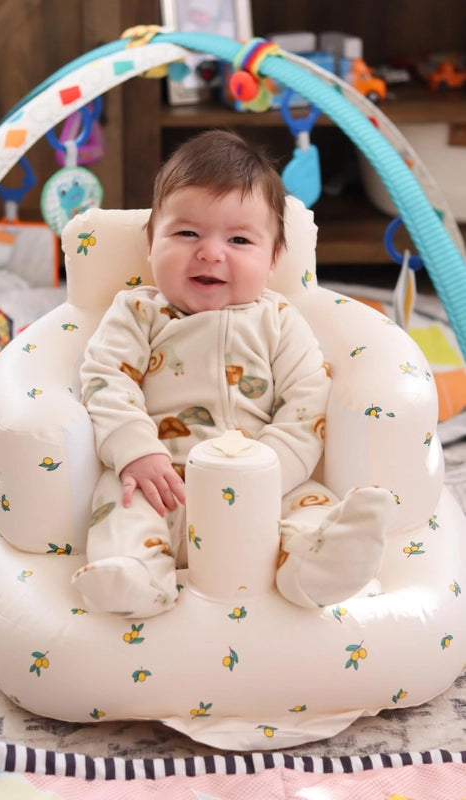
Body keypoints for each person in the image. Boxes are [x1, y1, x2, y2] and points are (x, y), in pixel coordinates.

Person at [72, 130, 395, 616]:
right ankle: (136, 575)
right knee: (121, 504)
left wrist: (266, 474)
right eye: (187, 234)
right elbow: (105, 380)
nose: (210, 252)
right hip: (166, 480)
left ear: (273, 259)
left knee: (312, 506)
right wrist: (136, 451)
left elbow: (307, 403)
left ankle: (319, 566)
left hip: (265, 485)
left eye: (239, 240)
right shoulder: (138, 312)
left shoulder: (279, 320)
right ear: (151, 244)